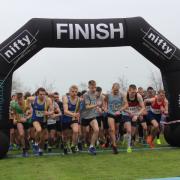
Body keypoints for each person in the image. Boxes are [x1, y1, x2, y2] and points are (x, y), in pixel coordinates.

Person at [28, 87, 53, 156]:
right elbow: (27, 99)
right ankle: (35, 143)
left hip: (44, 120)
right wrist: (28, 107)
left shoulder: (48, 100)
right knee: (38, 130)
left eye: (43, 94)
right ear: (37, 94)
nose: (42, 96)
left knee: (42, 138)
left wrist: (48, 113)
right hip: (35, 118)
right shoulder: (33, 98)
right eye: (40, 94)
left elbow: (52, 110)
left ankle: (40, 150)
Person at [123, 84, 146, 152]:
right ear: (128, 91)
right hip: (126, 113)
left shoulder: (138, 96)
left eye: (134, 92)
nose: (133, 94)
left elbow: (143, 107)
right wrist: (129, 112)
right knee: (129, 130)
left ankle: (125, 136)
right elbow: (122, 107)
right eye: (132, 92)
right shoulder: (125, 96)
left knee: (132, 132)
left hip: (135, 114)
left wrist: (137, 115)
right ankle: (128, 147)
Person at [104, 83, 126, 154]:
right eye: (115, 90)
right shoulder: (108, 95)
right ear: (112, 88)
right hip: (110, 113)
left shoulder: (122, 95)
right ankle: (114, 146)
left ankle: (110, 140)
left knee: (116, 129)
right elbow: (104, 101)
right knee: (112, 129)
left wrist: (120, 110)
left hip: (118, 114)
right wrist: (105, 108)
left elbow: (126, 104)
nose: (116, 91)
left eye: (117, 90)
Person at [11, 92, 32, 157]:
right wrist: (14, 119)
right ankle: (24, 149)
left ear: (23, 98)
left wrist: (26, 118)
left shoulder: (27, 103)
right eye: (18, 99)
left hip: (27, 121)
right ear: (16, 99)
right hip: (19, 121)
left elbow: (31, 113)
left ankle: (27, 144)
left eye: (21, 99)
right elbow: (14, 113)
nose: (20, 100)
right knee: (21, 134)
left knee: (26, 136)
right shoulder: (14, 104)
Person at [81, 80, 99, 155]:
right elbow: (88, 106)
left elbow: (102, 100)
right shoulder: (86, 95)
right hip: (85, 116)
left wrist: (100, 108)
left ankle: (91, 147)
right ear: (89, 87)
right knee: (84, 134)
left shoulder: (97, 94)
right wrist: (96, 105)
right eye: (92, 87)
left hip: (92, 116)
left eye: (94, 87)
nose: (93, 89)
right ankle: (80, 142)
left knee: (96, 130)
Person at [62, 85, 80, 154]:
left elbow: (80, 109)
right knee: (66, 136)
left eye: (76, 92)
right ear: (69, 92)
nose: (74, 93)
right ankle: (65, 147)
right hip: (66, 118)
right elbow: (65, 111)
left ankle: (73, 145)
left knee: (76, 131)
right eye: (72, 91)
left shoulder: (78, 99)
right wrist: (74, 114)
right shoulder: (65, 98)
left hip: (73, 119)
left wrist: (78, 114)